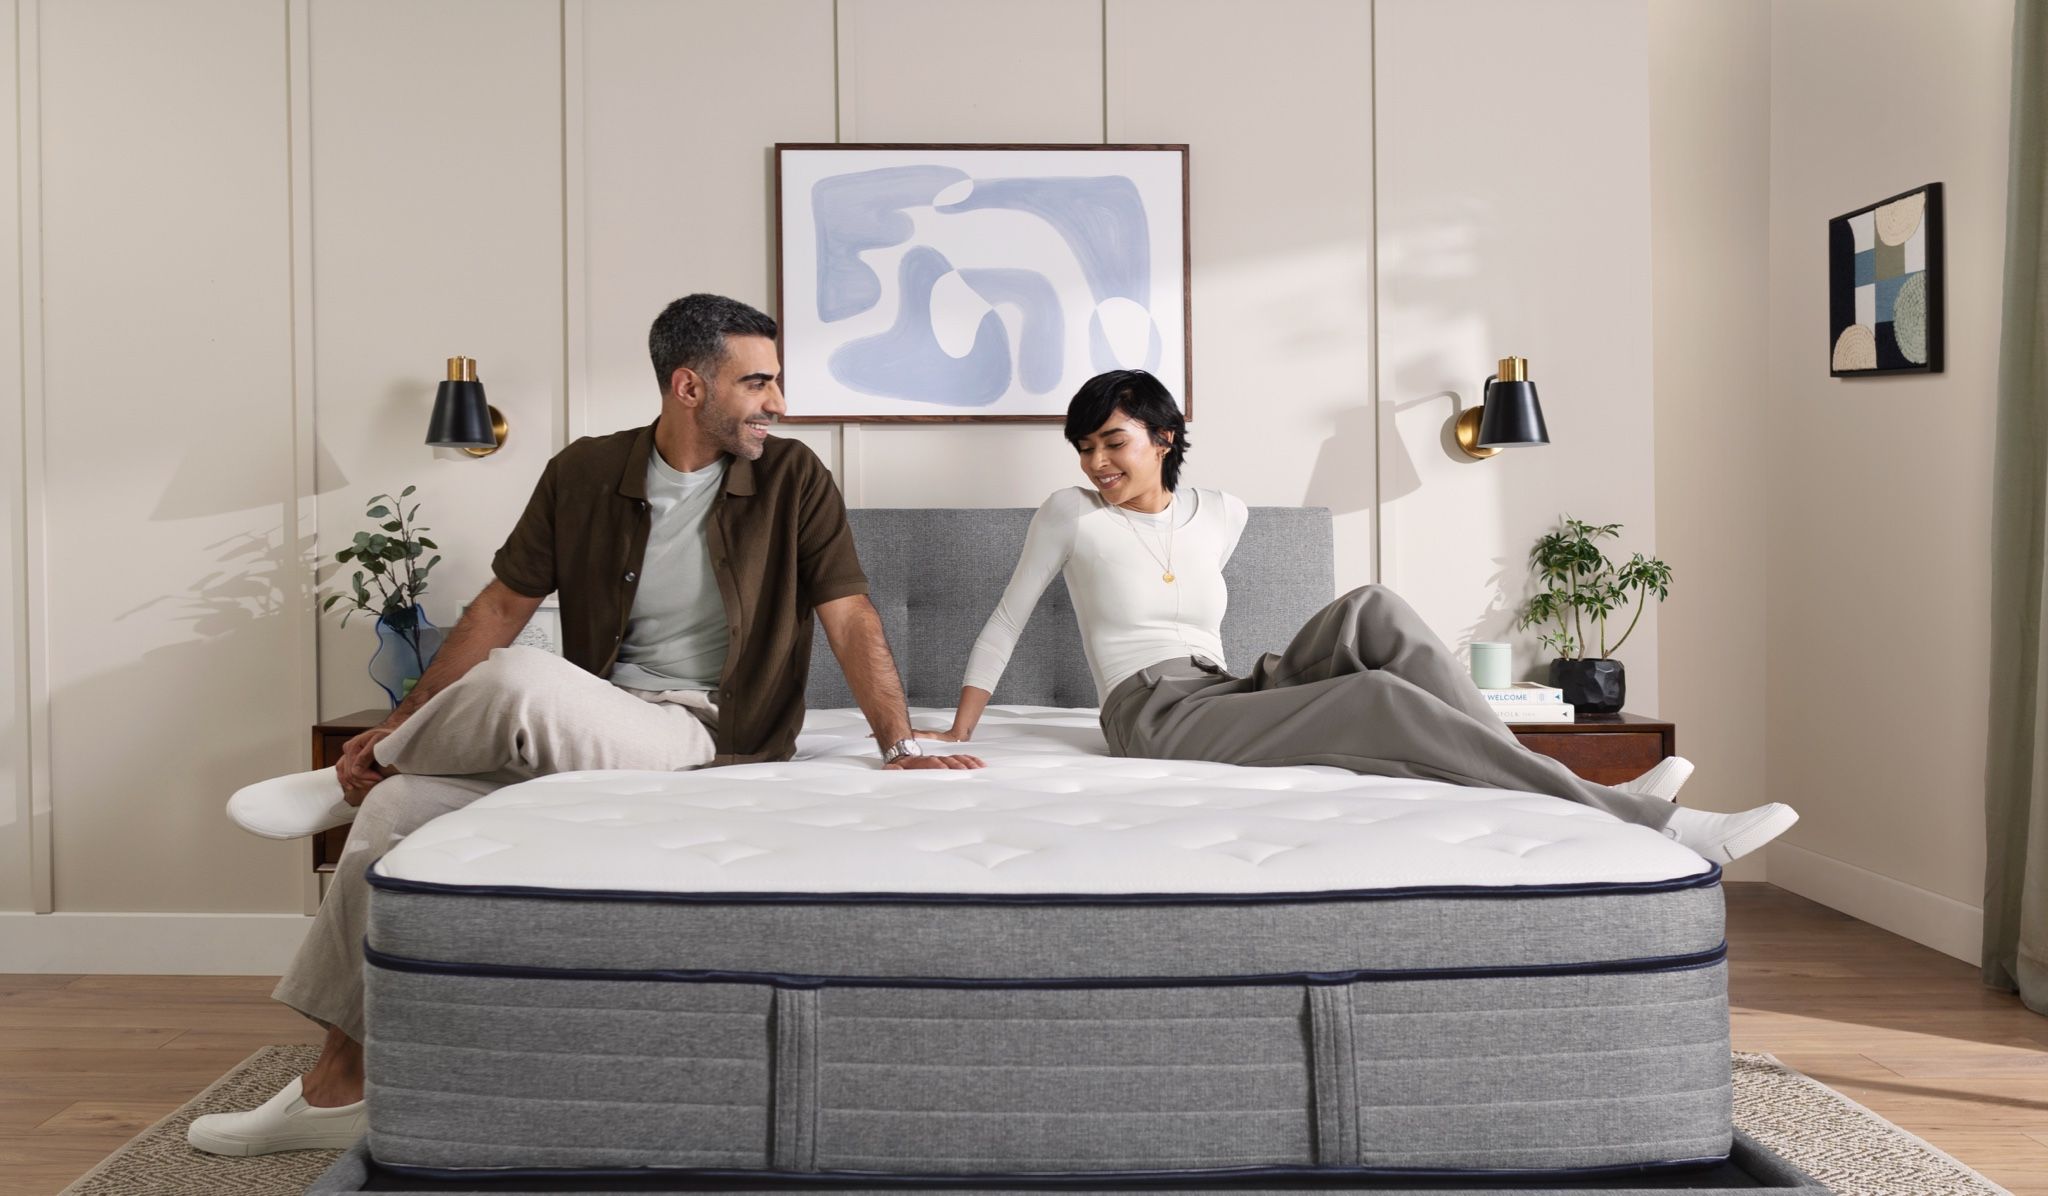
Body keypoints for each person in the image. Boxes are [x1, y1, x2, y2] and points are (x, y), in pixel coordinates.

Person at [188, 294, 982, 1158]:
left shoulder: (794, 479)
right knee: (396, 811)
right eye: (758, 382)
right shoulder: (584, 472)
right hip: (594, 720)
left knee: (519, 679)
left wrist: (901, 742)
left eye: (776, 382)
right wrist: (408, 716)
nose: (778, 402)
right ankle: (334, 1088)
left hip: (705, 734)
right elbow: (500, 604)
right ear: (689, 386)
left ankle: (347, 776)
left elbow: (850, 612)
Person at [921, 368, 1796, 863]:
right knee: (1377, 697)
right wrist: (951, 734)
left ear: (1162, 435)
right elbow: (1004, 621)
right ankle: (1659, 824)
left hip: (1219, 688)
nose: (1097, 461)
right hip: (1151, 714)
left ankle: (1542, 773)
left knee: (1370, 609)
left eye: (1112, 441)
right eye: (1084, 447)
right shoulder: (1070, 515)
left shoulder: (1224, 512)